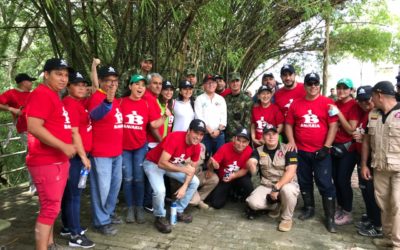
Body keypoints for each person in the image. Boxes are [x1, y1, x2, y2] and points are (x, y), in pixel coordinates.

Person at [25, 58, 76, 250]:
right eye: (58, 74)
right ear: (46, 75)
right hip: (46, 161)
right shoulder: (41, 94)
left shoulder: (53, 95)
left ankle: (50, 243)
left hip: (57, 161)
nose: (63, 79)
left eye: (65, 75)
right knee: (50, 208)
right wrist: (63, 146)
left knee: (51, 207)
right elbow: (34, 127)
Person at [285, 72, 338, 233]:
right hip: (301, 150)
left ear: (319, 86)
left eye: (315, 84)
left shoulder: (328, 103)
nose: (313, 86)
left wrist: (327, 146)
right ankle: (309, 208)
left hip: (320, 151)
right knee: (304, 181)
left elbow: (334, 126)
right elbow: (288, 124)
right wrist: (292, 141)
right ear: (305, 85)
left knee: (325, 183)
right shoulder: (296, 104)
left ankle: (330, 217)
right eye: (310, 83)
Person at [143, 119, 204, 233]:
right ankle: (160, 217)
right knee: (160, 191)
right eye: (196, 132)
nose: (198, 137)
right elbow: (161, 163)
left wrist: (185, 186)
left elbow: (191, 169)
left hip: (171, 165)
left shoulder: (197, 146)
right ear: (189, 131)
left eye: (201, 134)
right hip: (153, 163)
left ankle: (178, 211)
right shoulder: (174, 137)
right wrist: (182, 169)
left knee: (194, 181)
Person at [361, 81, 400, 248]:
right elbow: (366, 142)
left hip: (398, 169)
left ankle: (397, 244)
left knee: (398, 205)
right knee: (384, 204)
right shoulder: (373, 114)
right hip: (379, 168)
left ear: (379, 95)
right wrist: (364, 164)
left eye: (373, 97)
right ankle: (388, 237)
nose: (371, 100)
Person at [87, 65, 123, 235]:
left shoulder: (115, 98)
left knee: (114, 187)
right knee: (101, 188)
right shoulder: (97, 97)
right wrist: (107, 101)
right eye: (108, 80)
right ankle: (100, 221)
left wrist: (110, 99)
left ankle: (108, 213)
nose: (111, 84)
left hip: (117, 151)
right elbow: (95, 115)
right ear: (100, 81)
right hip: (101, 153)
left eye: (114, 81)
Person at [61, 71, 95, 248]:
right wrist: (83, 157)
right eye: (77, 84)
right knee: (75, 195)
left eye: (84, 84)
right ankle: (75, 236)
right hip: (75, 157)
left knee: (70, 194)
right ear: (68, 87)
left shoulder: (77, 103)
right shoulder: (70, 104)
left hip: (78, 156)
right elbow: (74, 133)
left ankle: (68, 226)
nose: (82, 87)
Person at [246, 125, 299, 232]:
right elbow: (253, 162)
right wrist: (251, 164)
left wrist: (277, 188)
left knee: (288, 190)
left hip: (286, 184)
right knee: (252, 203)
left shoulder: (288, 149)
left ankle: (286, 218)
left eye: (274, 134)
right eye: (267, 134)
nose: (271, 137)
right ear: (263, 137)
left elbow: (291, 171)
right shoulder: (258, 151)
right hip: (267, 185)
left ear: (278, 135)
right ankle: (277, 205)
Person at [351, 86, 382, 237]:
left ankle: (378, 225)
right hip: (361, 157)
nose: (364, 103)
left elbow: (379, 139)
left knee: (372, 192)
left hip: (372, 159)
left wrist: (363, 138)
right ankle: (371, 218)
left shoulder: (378, 113)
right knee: (365, 191)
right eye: (360, 100)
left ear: (374, 98)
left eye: (367, 99)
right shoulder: (366, 113)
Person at [329, 78, 359, 226]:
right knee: (335, 179)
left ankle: (347, 212)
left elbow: (350, 129)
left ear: (351, 90)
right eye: (339, 87)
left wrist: (339, 114)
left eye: (345, 88)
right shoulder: (335, 103)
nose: (341, 91)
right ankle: (340, 207)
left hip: (348, 149)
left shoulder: (354, 105)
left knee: (343, 180)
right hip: (335, 147)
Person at [0, 73, 36, 193]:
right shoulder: (11, 93)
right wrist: (12, 109)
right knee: (34, 154)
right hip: (25, 130)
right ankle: (34, 186)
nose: (32, 83)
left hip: (40, 128)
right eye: (30, 81)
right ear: (23, 82)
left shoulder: (33, 94)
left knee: (37, 155)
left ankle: (38, 184)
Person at [207, 127, 253, 209]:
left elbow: (245, 170)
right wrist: (212, 165)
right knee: (216, 203)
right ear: (234, 139)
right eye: (238, 140)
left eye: (244, 142)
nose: (241, 144)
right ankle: (230, 193)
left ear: (248, 143)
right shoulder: (225, 147)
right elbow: (212, 163)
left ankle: (249, 203)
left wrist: (234, 175)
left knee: (248, 184)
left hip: (238, 176)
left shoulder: (249, 151)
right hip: (225, 178)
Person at [194, 74, 227, 158]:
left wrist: (218, 130)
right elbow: (199, 117)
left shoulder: (221, 99)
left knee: (218, 159)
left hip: (219, 134)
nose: (211, 85)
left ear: (216, 84)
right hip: (204, 134)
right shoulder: (199, 99)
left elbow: (224, 117)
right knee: (204, 158)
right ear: (204, 85)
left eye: (213, 82)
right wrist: (210, 131)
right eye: (208, 83)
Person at [225, 72, 252, 142]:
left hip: (241, 138)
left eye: (237, 81)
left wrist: (243, 137)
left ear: (241, 82)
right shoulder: (225, 99)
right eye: (232, 81)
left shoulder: (246, 99)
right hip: (227, 136)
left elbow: (248, 121)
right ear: (229, 83)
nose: (235, 83)